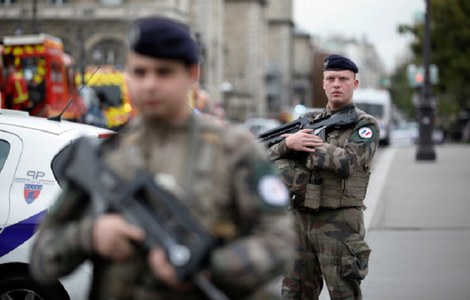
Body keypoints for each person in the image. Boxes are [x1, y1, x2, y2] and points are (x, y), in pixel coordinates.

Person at [30, 17, 294, 300]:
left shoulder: (234, 149)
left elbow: (280, 243)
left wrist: (208, 267)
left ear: (192, 73)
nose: (150, 84)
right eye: (140, 72)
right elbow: (41, 259)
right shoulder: (104, 153)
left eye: (164, 72)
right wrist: (91, 236)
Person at [268, 55, 380, 300]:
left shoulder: (365, 124)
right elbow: (266, 159)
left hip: (340, 221)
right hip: (300, 218)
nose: (336, 84)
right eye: (330, 78)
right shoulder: (308, 122)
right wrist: (288, 143)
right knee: (293, 293)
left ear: (355, 84)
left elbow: (347, 162)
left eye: (343, 79)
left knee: (344, 294)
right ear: (323, 84)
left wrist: (309, 144)